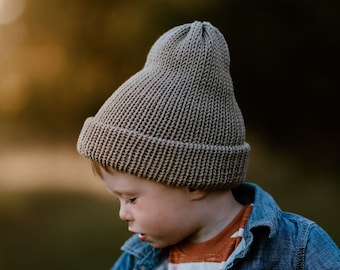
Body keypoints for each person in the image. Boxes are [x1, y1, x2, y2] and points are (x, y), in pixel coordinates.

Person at [77, 21, 340, 269]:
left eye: (131, 198)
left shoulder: (297, 248)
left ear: (194, 181)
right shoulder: (138, 260)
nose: (123, 214)